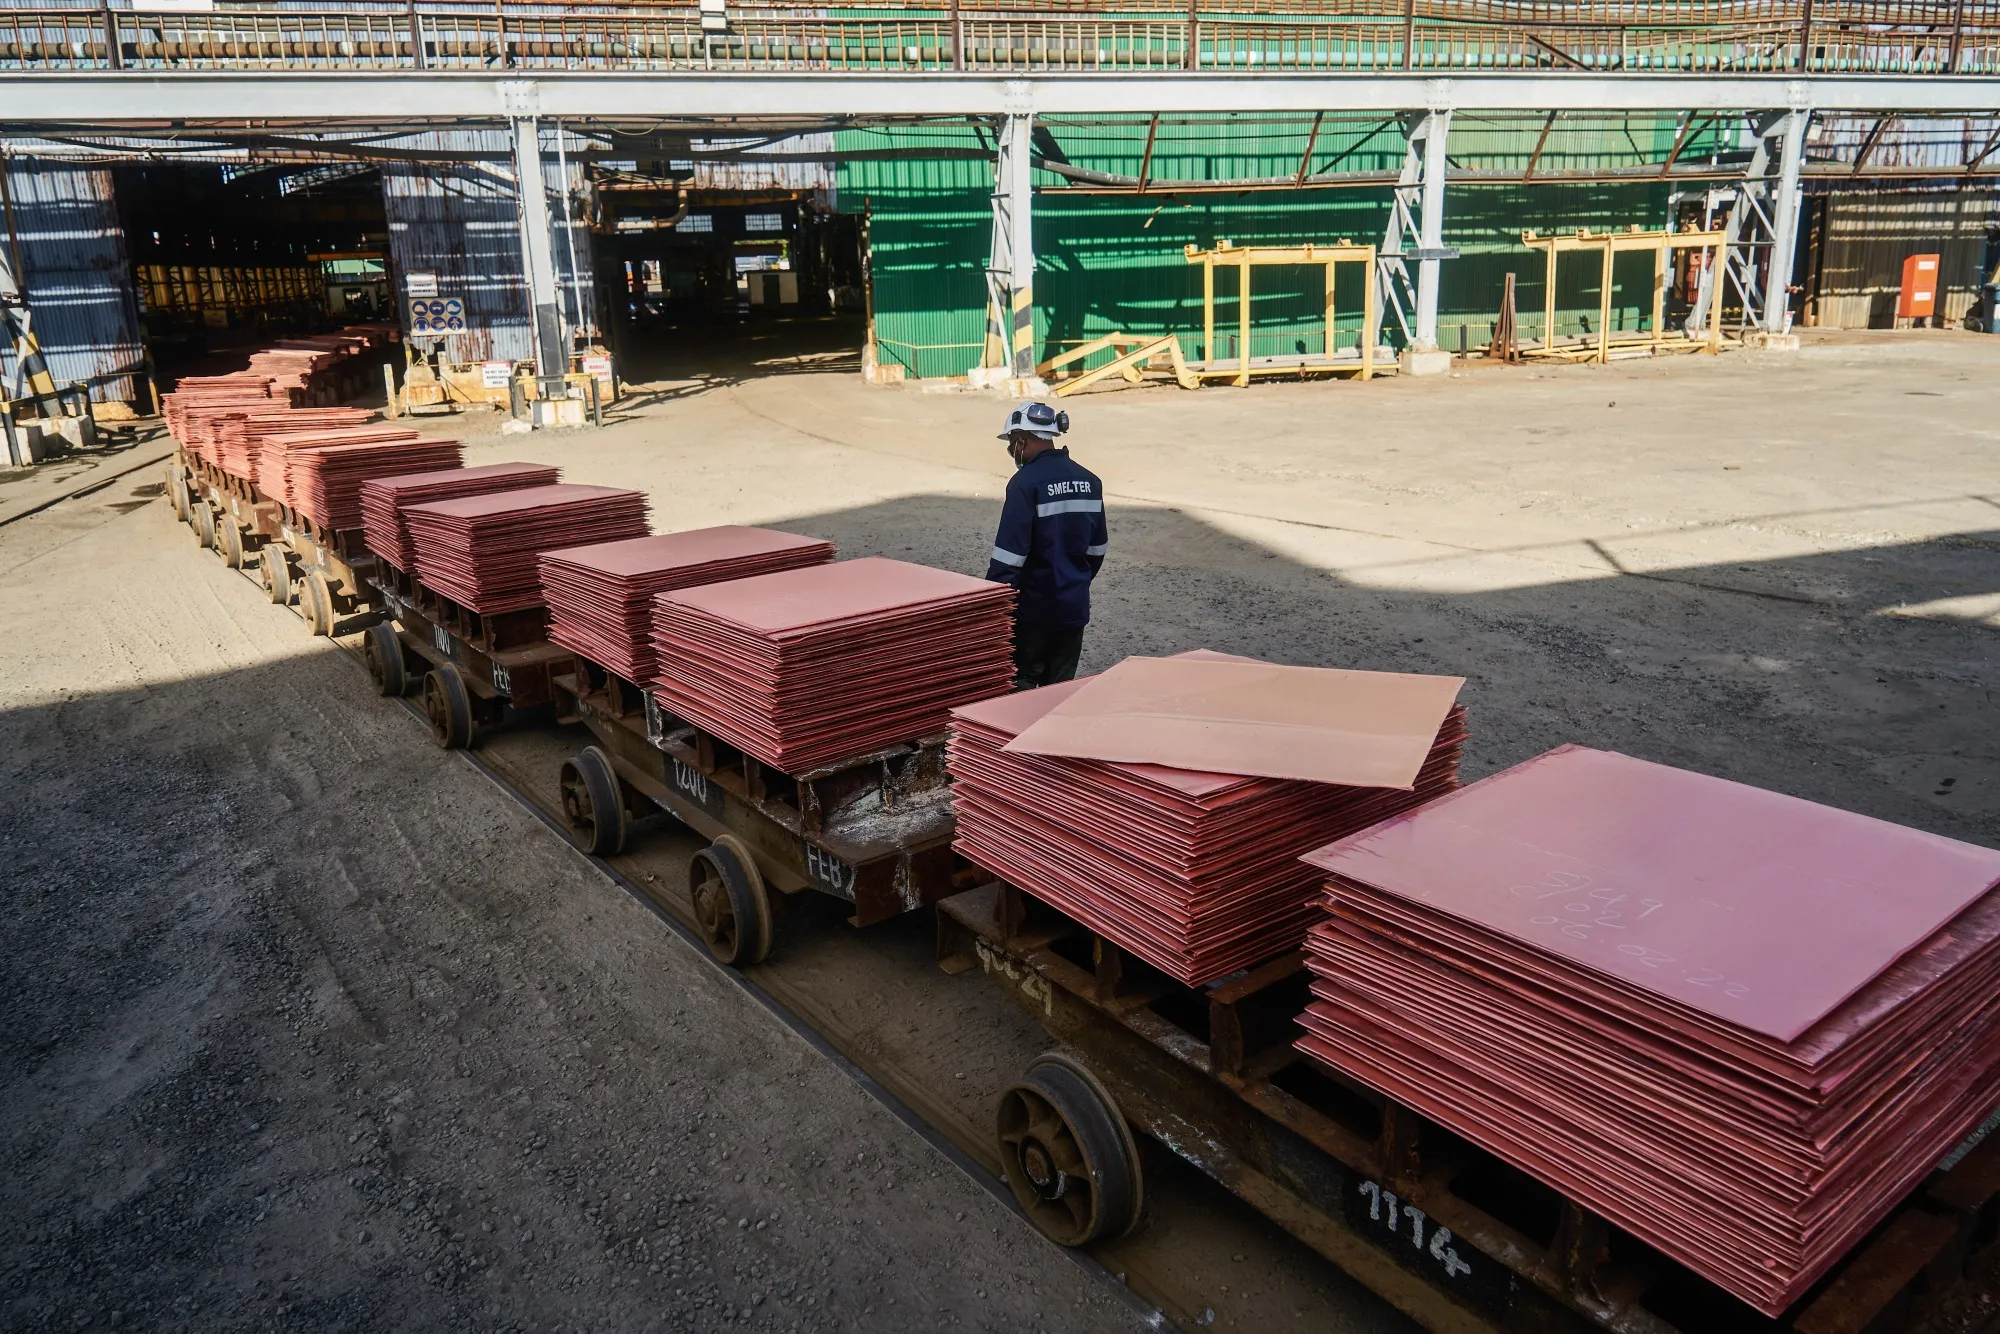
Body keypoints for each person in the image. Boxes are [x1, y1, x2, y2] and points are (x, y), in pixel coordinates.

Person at [985, 401, 1108, 690]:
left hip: (1033, 610)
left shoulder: (1024, 484)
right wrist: (1073, 581)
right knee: (1060, 689)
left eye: (1012, 444)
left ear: (1022, 441)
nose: (1011, 451)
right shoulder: (1090, 481)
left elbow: (1008, 558)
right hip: (1073, 608)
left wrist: (994, 606)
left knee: (1023, 685)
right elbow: (1097, 550)